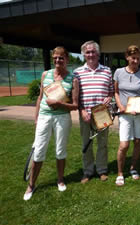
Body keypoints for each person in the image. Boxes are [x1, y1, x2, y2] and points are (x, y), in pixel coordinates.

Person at [23, 46, 79, 201]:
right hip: (44, 117)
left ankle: (60, 179)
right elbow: (40, 98)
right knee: (39, 150)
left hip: (62, 118)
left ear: (67, 59)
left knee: (60, 151)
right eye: (55, 57)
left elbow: (75, 105)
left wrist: (59, 104)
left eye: (61, 57)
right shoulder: (45, 75)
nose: (57, 60)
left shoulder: (73, 79)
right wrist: (36, 118)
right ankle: (31, 184)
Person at [74, 41, 114, 184]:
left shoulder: (107, 71)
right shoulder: (77, 73)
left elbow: (111, 91)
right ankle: (88, 171)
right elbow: (75, 96)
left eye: (93, 51)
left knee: (102, 143)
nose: (90, 54)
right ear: (84, 54)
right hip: (85, 114)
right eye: (87, 52)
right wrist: (82, 110)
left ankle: (102, 170)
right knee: (87, 143)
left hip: (102, 113)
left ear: (98, 53)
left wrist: (109, 97)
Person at [113, 45, 140, 186]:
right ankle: (120, 173)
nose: (135, 61)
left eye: (138, 58)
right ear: (127, 57)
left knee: (138, 142)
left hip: (139, 114)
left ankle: (133, 168)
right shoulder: (118, 72)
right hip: (124, 114)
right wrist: (121, 107)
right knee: (124, 145)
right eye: (133, 58)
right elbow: (115, 92)